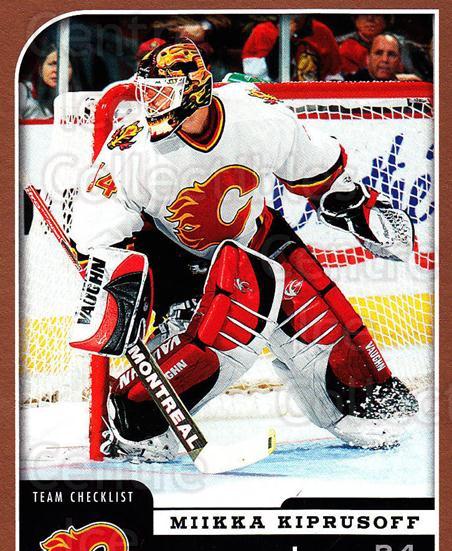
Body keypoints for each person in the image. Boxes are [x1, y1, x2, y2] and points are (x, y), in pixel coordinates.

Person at [69, 39, 418, 464]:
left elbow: (317, 171)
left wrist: (357, 210)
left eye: (161, 93)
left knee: (338, 351)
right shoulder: (133, 149)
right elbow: (97, 222)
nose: (150, 105)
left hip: (256, 238)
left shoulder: (256, 116)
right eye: (147, 93)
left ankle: (358, 408)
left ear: (194, 89)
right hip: (176, 262)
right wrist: (112, 283)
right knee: (227, 323)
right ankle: (134, 420)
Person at [241, 16, 340, 82]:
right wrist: (283, 39)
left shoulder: (322, 31)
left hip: (313, 99)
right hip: (275, 99)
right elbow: (256, 78)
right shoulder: (262, 32)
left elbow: (334, 75)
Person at [19, 44, 73, 119]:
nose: (57, 70)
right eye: (52, 64)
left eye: (64, 65)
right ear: (40, 70)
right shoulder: (23, 92)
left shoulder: (77, 100)